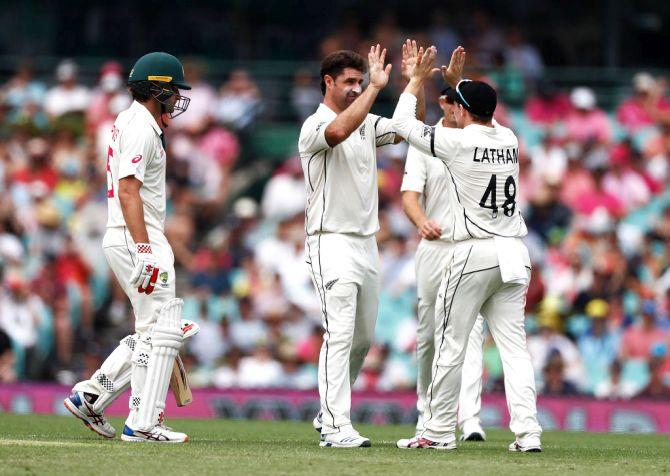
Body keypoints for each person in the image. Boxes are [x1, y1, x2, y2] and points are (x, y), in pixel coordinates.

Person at [392, 44, 542, 452]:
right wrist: (457, 82)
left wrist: (417, 79)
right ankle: (528, 434)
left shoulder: (457, 142)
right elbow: (479, 110)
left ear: (461, 110)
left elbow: (403, 124)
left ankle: (438, 431)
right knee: (515, 349)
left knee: (450, 341)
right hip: (514, 251)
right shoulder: (508, 137)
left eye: (456, 103)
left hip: (475, 252)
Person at [63, 52, 194, 443]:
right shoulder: (139, 125)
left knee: (153, 330)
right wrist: (144, 248)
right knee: (160, 332)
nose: (176, 98)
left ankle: (93, 395)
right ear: (156, 88)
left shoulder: (133, 120)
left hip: (131, 233)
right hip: (136, 234)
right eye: (172, 90)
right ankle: (143, 422)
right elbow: (127, 189)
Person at [299, 42, 422, 448]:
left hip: (366, 244)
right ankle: (335, 426)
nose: (355, 88)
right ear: (327, 83)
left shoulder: (367, 124)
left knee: (362, 338)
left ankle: (327, 411)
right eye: (349, 82)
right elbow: (338, 131)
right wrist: (374, 88)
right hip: (329, 240)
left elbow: (404, 126)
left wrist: (413, 82)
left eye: (359, 81)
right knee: (339, 332)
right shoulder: (314, 125)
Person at [397, 81, 486, 444]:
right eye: (454, 103)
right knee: (430, 335)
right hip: (434, 248)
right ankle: (426, 415)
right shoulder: (426, 142)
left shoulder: (482, 141)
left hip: (471, 247)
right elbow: (409, 197)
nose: (458, 110)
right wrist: (421, 222)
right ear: (445, 103)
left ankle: (470, 419)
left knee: (471, 332)